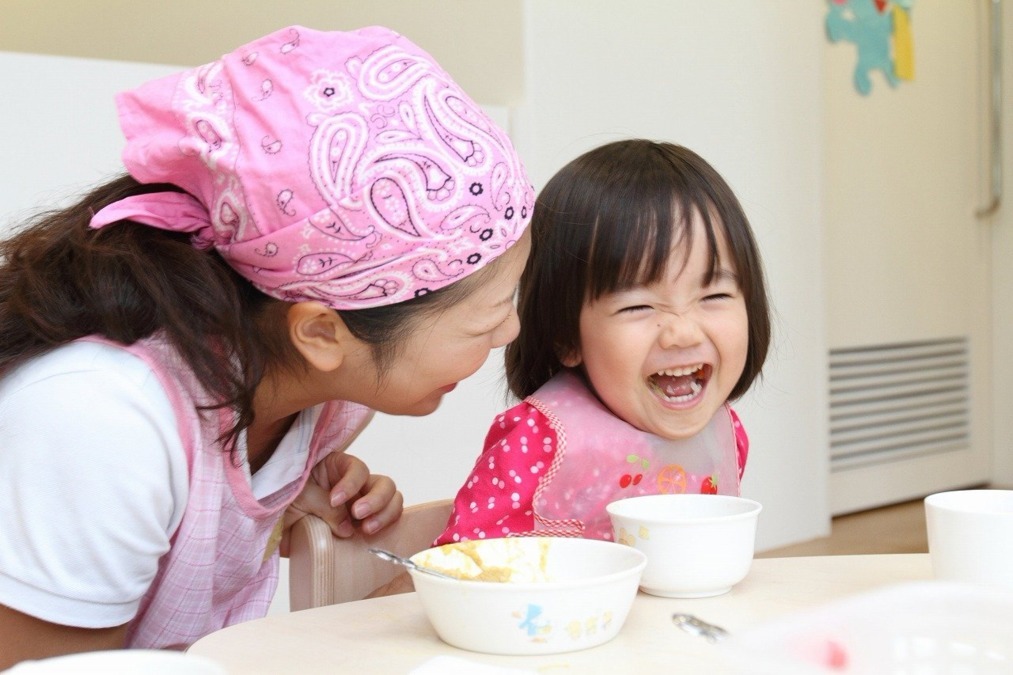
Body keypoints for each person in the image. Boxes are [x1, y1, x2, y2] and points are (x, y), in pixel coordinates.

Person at [0, 25, 533, 666]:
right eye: (485, 319)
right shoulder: (103, 421)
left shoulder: (325, 395)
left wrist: (295, 489)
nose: (511, 331)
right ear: (320, 332)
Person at [435, 139, 769, 545]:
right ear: (565, 335)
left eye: (714, 296)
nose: (683, 332)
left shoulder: (725, 433)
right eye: (638, 306)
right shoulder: (541, 442)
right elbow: (457, 564)